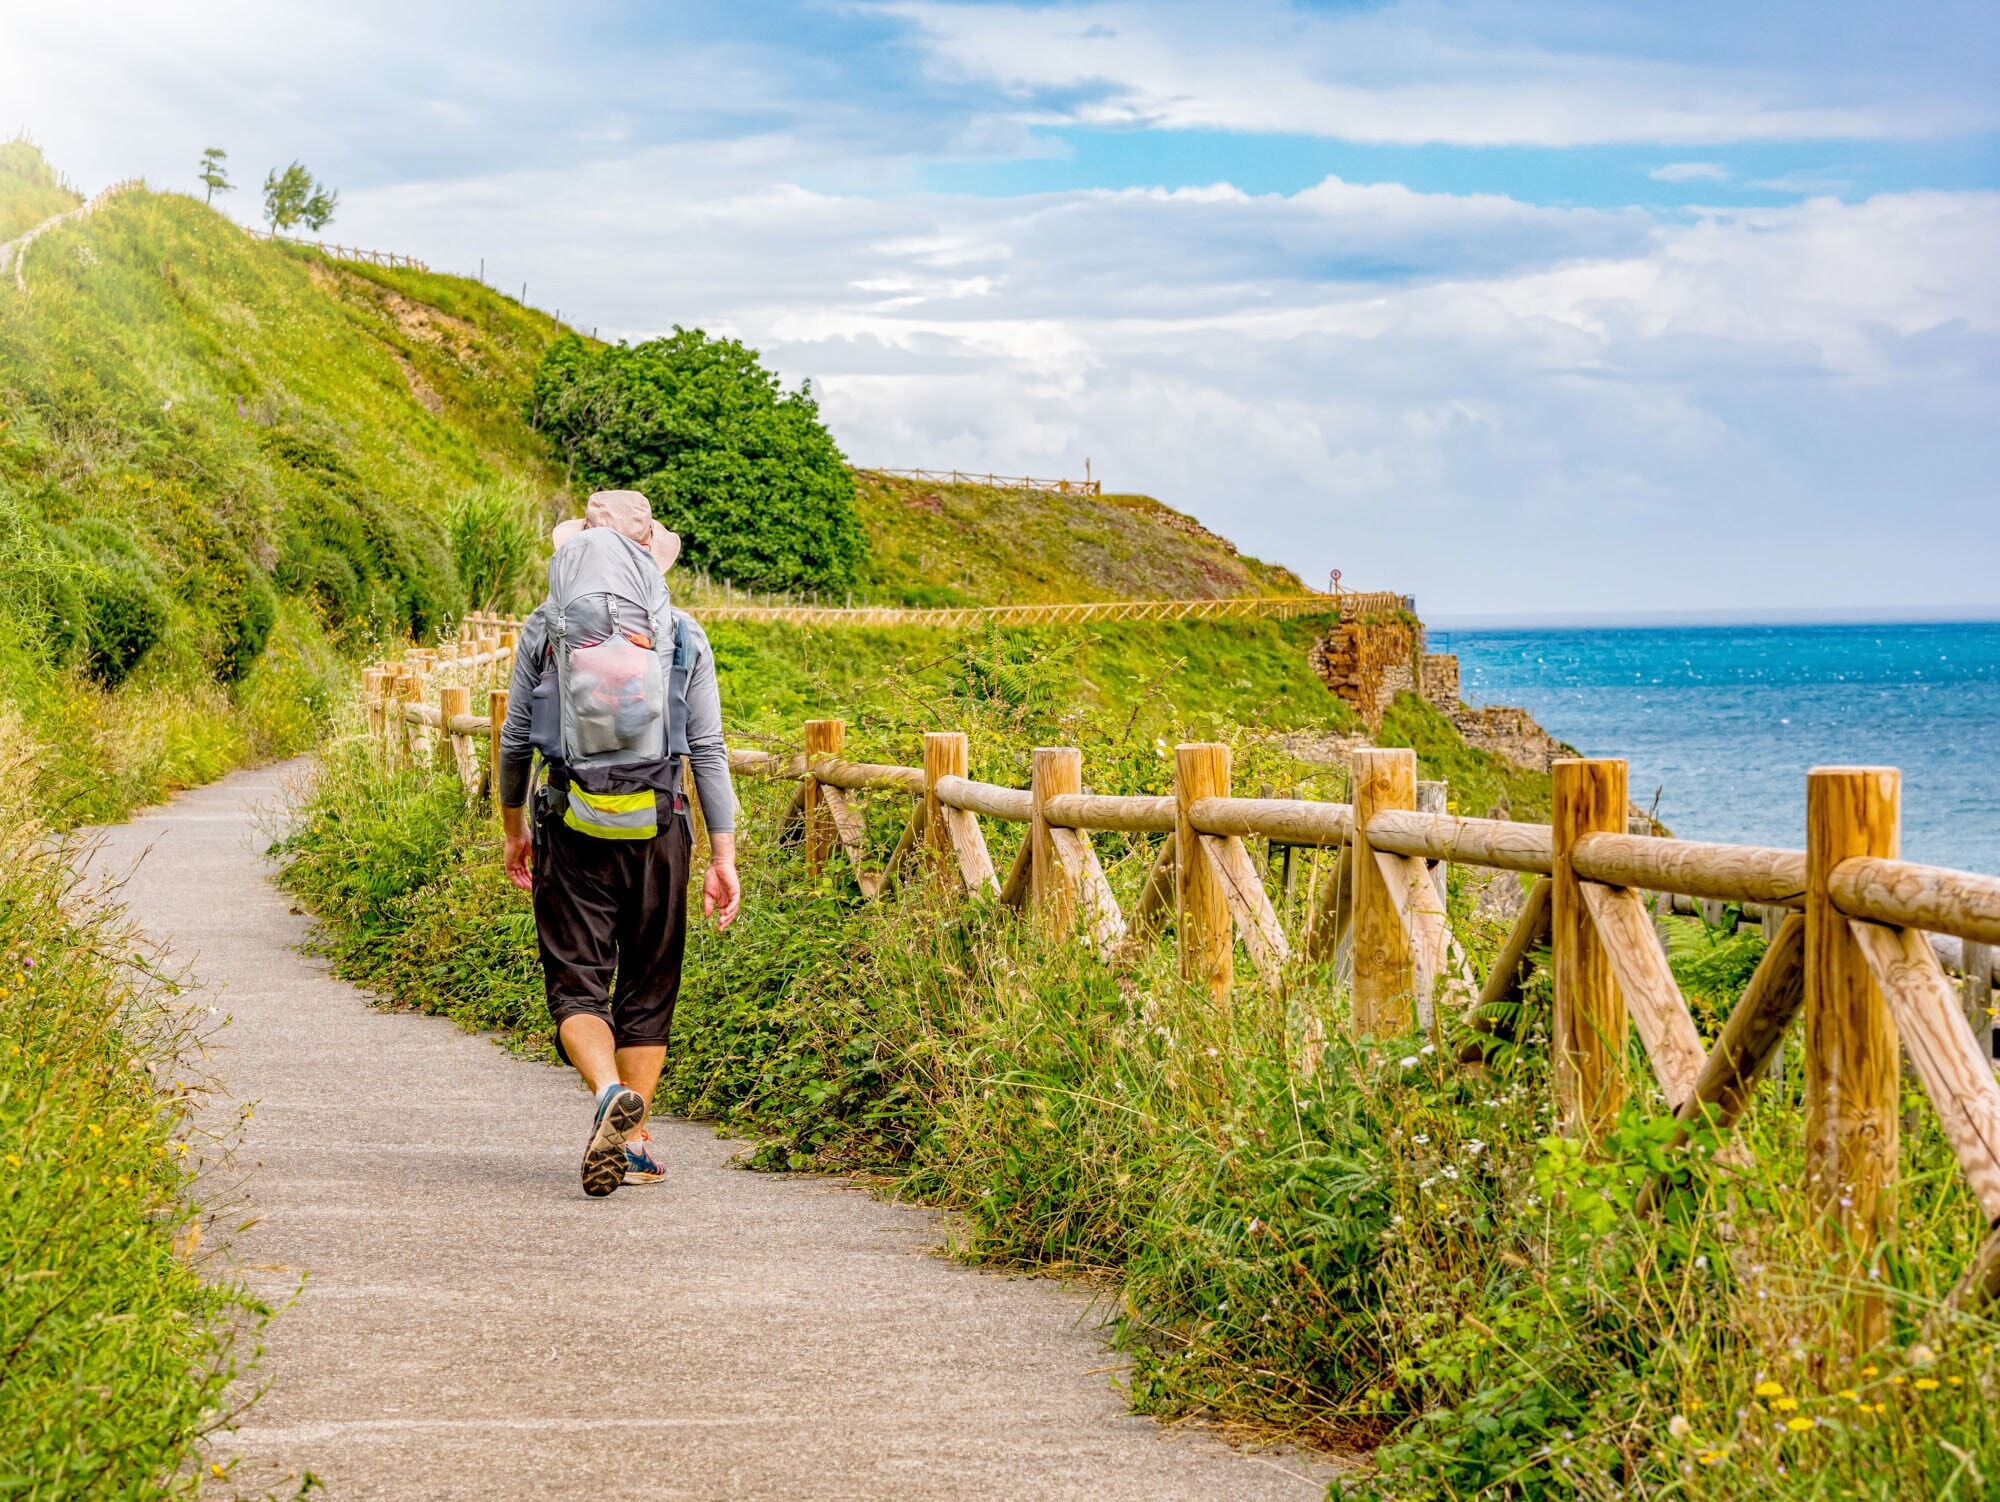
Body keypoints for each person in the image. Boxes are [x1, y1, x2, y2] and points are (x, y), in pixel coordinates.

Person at [497, 490, 741, 1197]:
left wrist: (514, 829)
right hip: (661, 824)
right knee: (648, 980)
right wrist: (722, 855)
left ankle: (608, 1092)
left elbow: (516, 738)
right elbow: (708, 749)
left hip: (569, 818)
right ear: (649, 559)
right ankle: (633, 1143)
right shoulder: (683, 633)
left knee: (577, 980)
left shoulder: (546, 628)